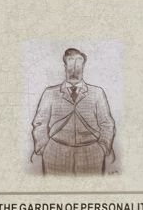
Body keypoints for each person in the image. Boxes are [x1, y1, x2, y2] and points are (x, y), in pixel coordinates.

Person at [31, 47, 116, 175]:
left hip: (91, 154)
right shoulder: (50, 93)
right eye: (70, 66)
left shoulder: (97, 93)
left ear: (83, 67)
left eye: (78, 67)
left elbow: (107, 123)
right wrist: (43, 147)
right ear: (65, 67)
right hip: (55, 153)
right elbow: (39, 123)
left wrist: (103, 148)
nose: (74, 72)